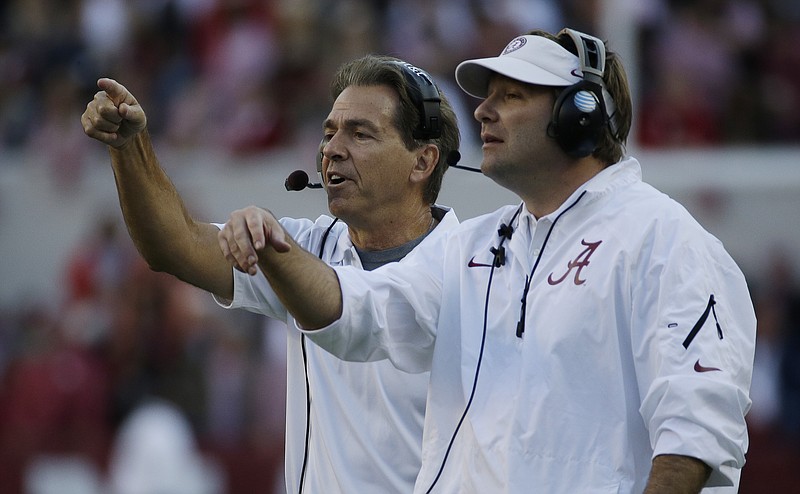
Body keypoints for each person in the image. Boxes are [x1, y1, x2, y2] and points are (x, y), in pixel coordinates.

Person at [219, 28, 757, 493]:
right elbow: (361, 312)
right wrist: (272, 247)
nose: (482, 109)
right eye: (488, 94)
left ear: (580, 116)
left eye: (513, 94)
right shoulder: (474, 245)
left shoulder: (665, 239)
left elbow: (695, 435)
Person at [80, 54, 461, 493]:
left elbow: (338, 307)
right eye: (329, 132)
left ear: (423, 162)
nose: (332, 149)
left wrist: (271, 247)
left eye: (361, 134)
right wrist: (130, 148)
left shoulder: (469, 268)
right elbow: (174, 245)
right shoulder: (310, 245)